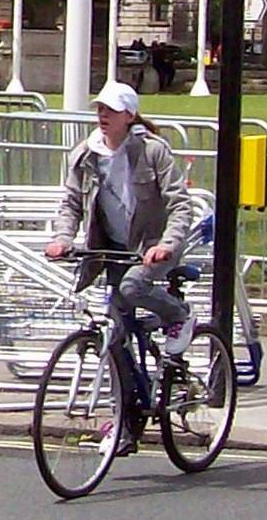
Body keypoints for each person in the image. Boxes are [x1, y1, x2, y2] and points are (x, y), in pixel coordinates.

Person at [54, 83, 207, 439]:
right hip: (115, 251)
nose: (102, 116)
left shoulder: (152, 151)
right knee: (116, 336)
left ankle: (179, 315)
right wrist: (63, 238)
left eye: (110, 110)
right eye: (99, 110)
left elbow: (179, 204)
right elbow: (71, 204)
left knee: (132, 286)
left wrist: (167, 245)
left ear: (129, 115)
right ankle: (125, 420)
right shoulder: (85, 155)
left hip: (154, 247)